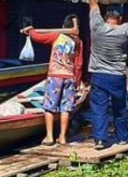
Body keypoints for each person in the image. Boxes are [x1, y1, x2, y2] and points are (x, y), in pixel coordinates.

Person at [85, 0, 128, 149]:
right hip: (116, 76)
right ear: (120, 17)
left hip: (98, 75)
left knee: (99, 108)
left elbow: (92, 3)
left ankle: (100, 140)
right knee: (119, 108)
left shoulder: (97, 27)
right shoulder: (124, 31)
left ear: (106, 14)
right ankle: (122, 137)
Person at [21, 14, 82, 146]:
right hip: (70, 77)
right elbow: (78, 64)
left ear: (63, 26)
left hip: (55, 76)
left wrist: (30, 30)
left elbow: (37, 37)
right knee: (66, 108)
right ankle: (62, 137)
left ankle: (49, 137)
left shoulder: (56, 36)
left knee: (50, 106)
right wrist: (77, 82)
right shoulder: (78, 42)